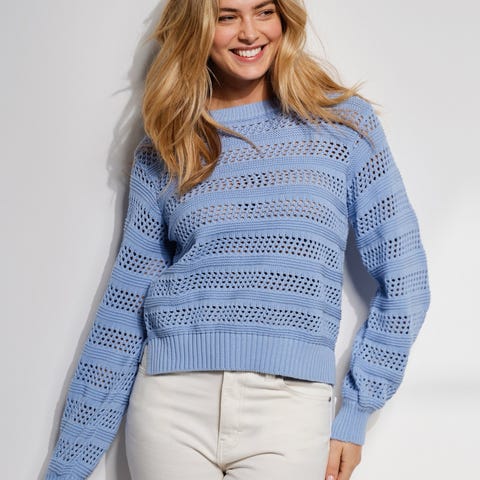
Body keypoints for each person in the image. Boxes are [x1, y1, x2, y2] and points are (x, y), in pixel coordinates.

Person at [44, 0, 431, 479]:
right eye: (227, 17)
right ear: (198, 27)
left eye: (263, 11)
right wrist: (68, 466)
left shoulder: (342, 125)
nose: (249, 32)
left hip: (290, 409)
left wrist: (356, 410)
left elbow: (405, 279)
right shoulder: (170, 142)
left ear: (284, 18)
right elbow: (124, 307)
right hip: (170, 404)